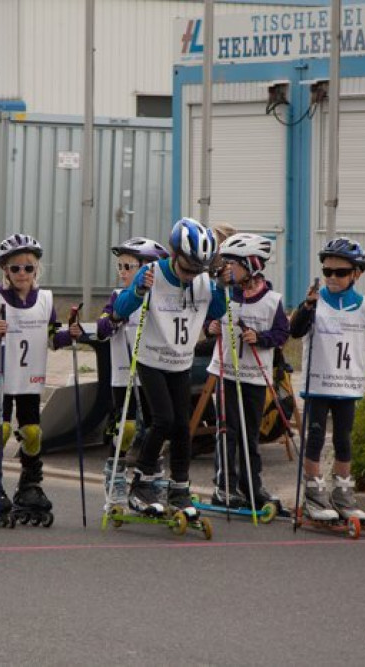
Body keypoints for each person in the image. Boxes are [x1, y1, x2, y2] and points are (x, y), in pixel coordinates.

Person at [113, 218, 227, 519]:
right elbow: (120, 309)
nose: (191, 276)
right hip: (151, 359)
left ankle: (179, 488)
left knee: (182, 427)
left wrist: (221, 286)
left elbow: (219, 311)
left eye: (197, 271)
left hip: (181, 362)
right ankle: (141, 484)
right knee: (163, 420)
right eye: (187, 269)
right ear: (174, 254)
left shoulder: (201, 280)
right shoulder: (152, 273)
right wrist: (139, 290)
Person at [0, 234, 82, 524]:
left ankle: (30, 486)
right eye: (15, 268)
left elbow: (52, 337)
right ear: (5, 270)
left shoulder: (45, 300)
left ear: (37, 269)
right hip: (2, 379)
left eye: (28, 268)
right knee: (0, 432)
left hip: (30, 379)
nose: (22, 273)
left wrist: (70, 335)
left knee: (33, 433)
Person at [288, 237, 365, 522]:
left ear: (356, 274)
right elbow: (295, 331)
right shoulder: (315, 301)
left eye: (340, 272)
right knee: (315, 438)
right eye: (327, 271)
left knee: (344, 439)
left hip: (347, 385)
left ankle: (343, 494)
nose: (332, 277)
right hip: (319, 384)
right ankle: (313, 495)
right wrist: (307, 306)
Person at [205, 233, 289, 511]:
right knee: (226, 431)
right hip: (227, 373)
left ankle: (252, 485)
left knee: (249, 434)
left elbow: (282, 333)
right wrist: (210, 328)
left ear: (251, 264)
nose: (227, 269)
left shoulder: (272, 300)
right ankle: (224, 486)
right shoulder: (225, 295)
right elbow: (209, 319)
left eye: (233, 264)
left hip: (254, 376)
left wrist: (261, 338)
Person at [95, 236, 167, 507]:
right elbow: (102, 328)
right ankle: (115, 476)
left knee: (154, 427)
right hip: (125, 373)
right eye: (120, 266)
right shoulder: (118, 297)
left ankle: (152, 476)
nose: (123, 272)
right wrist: (115, 319)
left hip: (153, 372)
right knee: (124, 428)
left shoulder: (161, 300)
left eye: (129, 267)